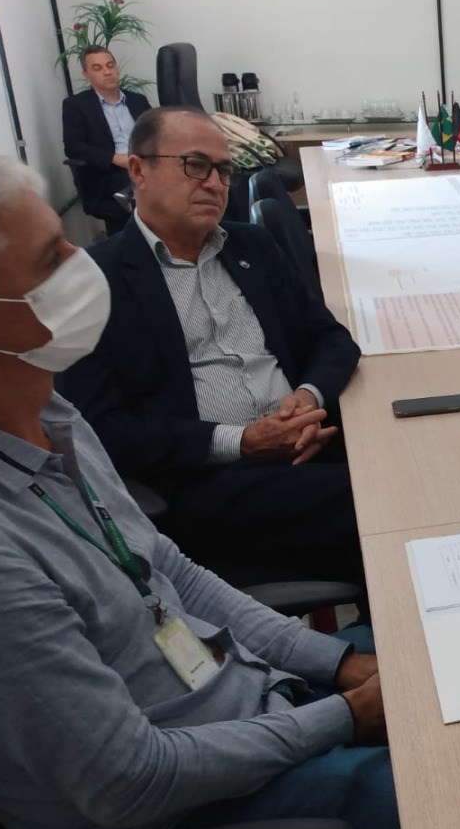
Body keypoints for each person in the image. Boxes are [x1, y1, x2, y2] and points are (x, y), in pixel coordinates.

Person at [0, 145, 414, 829]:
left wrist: (337, 665)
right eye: (51, 259)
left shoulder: (47, 414)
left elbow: (172, 572)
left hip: (257, 701)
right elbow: (129, 780)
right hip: (196, 826)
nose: (81, 267)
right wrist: (345, 715)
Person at [56, 107, 366, 589]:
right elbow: (102, 430)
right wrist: (242, 440)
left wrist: (307, 399)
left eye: (223, 171)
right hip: (210, 479)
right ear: (138, 170)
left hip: (310, 442)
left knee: (418, 463)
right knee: (383, 501)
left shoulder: (251, 247)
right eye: (195, 165)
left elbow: (330, 338)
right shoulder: (94, 281)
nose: (215, 184)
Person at [61, 45, 152, 234]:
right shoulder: (77, 106)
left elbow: (156, 133)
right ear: (86, 75)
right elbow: (73, 147)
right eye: (98, 68)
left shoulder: (137, 101)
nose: (107, 72)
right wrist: (114, 158)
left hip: (145, 164)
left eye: (110, 65)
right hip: (110, 171)